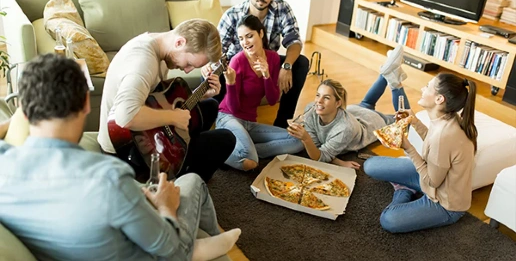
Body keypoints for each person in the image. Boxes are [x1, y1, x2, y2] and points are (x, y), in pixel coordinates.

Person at [0, 54, 241, 261]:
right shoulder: (109, 177)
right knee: (191, 181)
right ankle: (199, 247)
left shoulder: (5, 164)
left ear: (24, 108)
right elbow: (166, 246)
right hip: (156, 251)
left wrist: (18, 117)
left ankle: (207, 240)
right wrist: (166, 207)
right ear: (86, 103)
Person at [98, 19, 236, 182]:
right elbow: (125, 116)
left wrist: (203, 94)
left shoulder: (159, 46)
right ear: (179, 42)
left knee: (210, 105)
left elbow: (156, 100)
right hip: (128, 149)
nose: (187, 70)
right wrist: (174, 118)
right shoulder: (142, 63)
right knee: (226, 139)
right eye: (189, 63)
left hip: (144, 132)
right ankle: (185, 177)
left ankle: (182, 153)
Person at [363, 72, 478, 233]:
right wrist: (415, 121)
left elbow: (432, 181)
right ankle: (409, 186)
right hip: (431, 176)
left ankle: (404, 190)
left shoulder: (445, 135)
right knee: (370, 165)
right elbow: (434, 146)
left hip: (444, 203)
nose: (423, 89)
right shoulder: (447, 119)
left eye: (428, 86)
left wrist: (408, 148)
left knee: (388, 220)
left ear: (439, 99)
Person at [203, 0, 310, 129]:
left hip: (268, 62)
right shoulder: (232, 14)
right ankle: (214, 122)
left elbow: (294, 41)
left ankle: (282, 124)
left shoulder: (282, 9)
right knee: (212, 74)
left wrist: (286, 66)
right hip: (237, 66)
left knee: (301, 63)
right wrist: (211, 65)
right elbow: (218, 50)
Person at [287, 45, 410, 170]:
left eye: (326, 97)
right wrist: (339, 161)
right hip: (353, 112)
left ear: (338, 103)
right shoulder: (312, 109)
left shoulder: (345, 129)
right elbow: (317, 146)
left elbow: (321, 156)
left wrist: (306, 138)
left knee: (405, 122)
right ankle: (388, 71)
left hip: (370, 122)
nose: (318, 101)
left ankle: (395, 82)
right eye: (318, 95)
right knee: (366, 104)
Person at [216, 14, 304, 171]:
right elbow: (234, 109)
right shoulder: (238, 61)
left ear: (261, 34)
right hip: (228, 118)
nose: (245, 42)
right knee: (251, 163)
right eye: (241, 38)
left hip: (250, 123)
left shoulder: (273, 58)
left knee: (298, 141)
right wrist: (230, 82)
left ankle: (243, 150)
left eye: (249, 36)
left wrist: (267, 75)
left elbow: (272, 100)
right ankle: (219, 151)